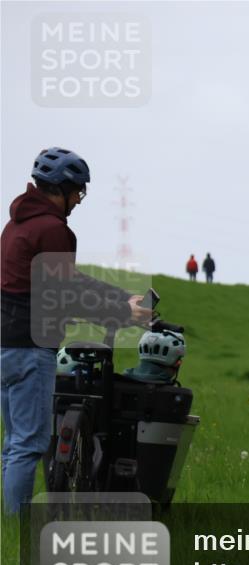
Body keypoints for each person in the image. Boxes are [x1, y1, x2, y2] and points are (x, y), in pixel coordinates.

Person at [1, 147, 152, 513]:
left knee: (13, 442)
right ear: (63, 188)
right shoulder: (53, 229)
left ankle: (10, 527)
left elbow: (69, 280)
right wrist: (119, 312)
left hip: (6, 344)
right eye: (78, 192)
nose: (78, 200)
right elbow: (66, 294)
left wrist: (119, 297)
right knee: (30, 444)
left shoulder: (18, 223)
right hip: (31, 347)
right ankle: (18, 528)